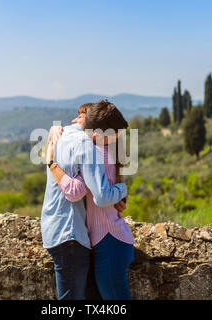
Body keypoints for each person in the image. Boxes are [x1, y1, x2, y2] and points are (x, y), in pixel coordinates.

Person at [46, 100, 135, 300]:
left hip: (109, 239)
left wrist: (52, 164)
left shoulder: (97, 151)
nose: (75, 120)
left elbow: (77, 190)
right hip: (106, 239)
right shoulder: (94, 147)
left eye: (80, 116)